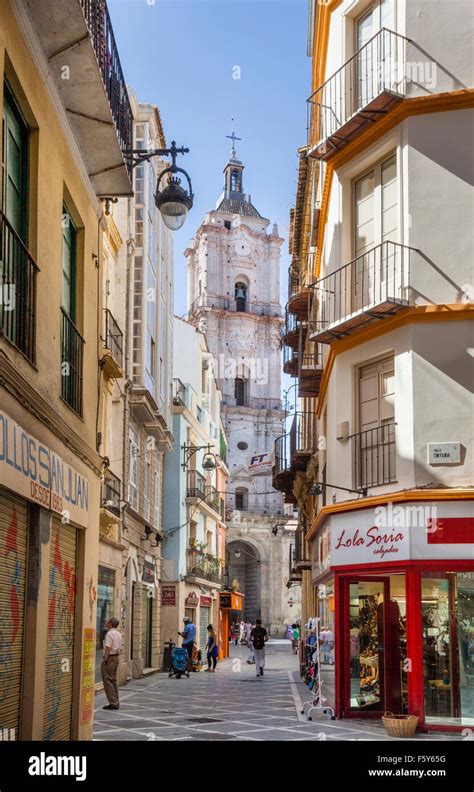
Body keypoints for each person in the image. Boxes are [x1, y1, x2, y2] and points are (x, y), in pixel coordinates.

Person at [102, 617, 122, 710]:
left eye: (108, 621)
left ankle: (113, 703)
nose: (106, 622)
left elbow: (108, 648)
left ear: (110, 624)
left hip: (110, 658)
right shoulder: (118, 633)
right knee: (113, 680)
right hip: (116, 657)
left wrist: (105, 660)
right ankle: (116, 701)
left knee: (107, 680)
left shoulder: (109, 634)